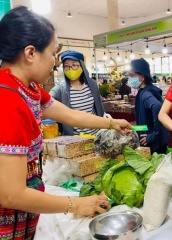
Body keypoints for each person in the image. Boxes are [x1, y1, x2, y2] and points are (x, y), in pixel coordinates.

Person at [0, 7, 131, 239]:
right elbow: (11, 194)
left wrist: (112, 124)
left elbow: (70, 115)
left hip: (23, 214)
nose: (55, 63)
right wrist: (76, 204)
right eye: (53, 53)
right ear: (30, 53)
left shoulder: (28, 88)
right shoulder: (8, 100)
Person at [50, 50, 105, 135]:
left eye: (74, 65)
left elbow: (99, 108)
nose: (70, 69)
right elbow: (46, 100)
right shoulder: (60, 88)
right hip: (74, 139)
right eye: (66, 66)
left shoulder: (92, 85)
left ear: (82, 66)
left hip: (95, 135)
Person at [128, 58, 169, 154]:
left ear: (141, 77)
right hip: (155, 141)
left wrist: (154, 134)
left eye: (132, 75)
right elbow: (145, 121)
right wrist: (132, 128)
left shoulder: (145, 94)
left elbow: (157, 106)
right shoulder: (146, 91)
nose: (129, 79)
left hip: (154, 145)